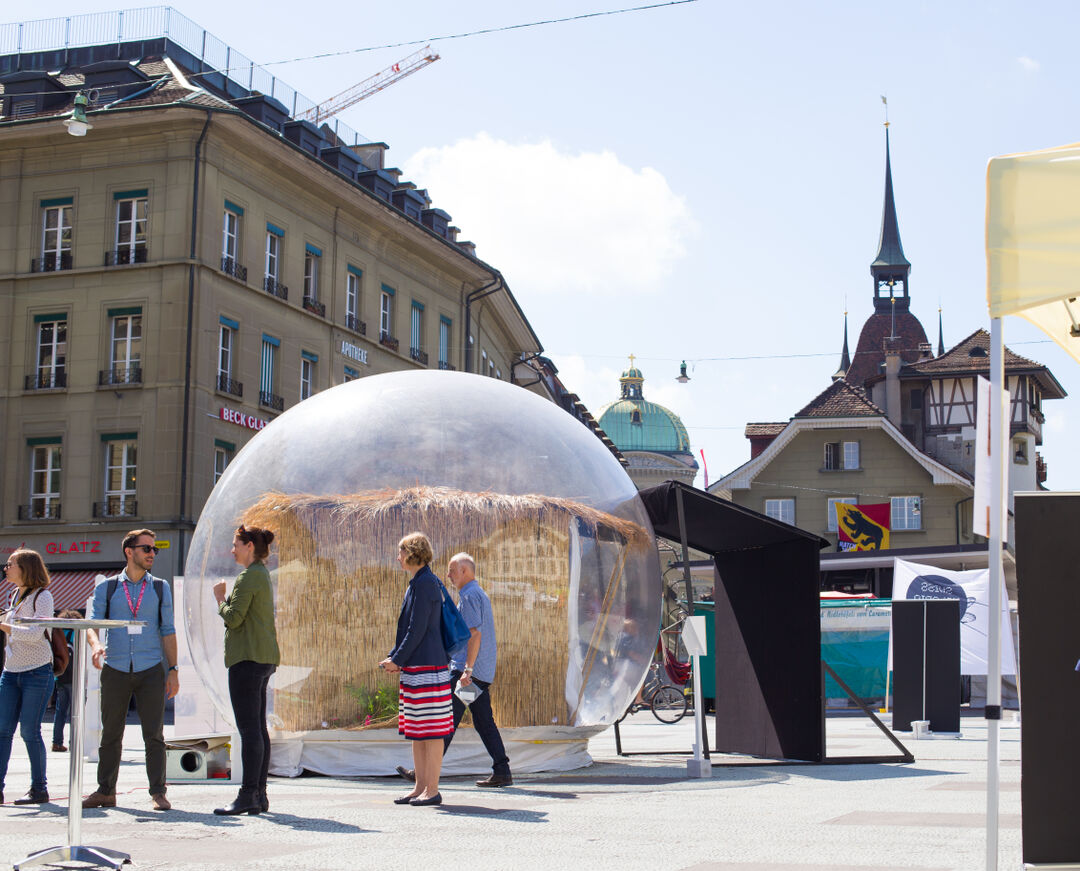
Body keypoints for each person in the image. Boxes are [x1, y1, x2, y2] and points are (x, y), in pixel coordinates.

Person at [82, 529, 179, 811]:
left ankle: (158, 792)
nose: (152, 554)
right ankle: (105, 791)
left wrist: (173, 669)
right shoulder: (108, 587)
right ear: (129, 551)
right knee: (111, 733)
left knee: (154, 735)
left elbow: (168, 630)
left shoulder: (160, 587)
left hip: (151, 668)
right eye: (146, 548)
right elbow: (93, 624)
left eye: (154, 549)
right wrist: (95, 645)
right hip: (115, 666)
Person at [397, 552, 512, 787]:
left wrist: (467, 670)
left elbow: (474, 634)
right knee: (480, 721)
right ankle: (502, 770)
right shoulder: (477, 594)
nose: (448, 575)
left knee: (445, 718)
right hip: (478, 672)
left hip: (467, 673)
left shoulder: (469, 596)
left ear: (465, 572)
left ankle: (424, 775)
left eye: (452, 570)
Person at [379, 532, 452, 807]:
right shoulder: (418, 583)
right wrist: (395, 656)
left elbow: (417, 629)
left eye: (400, 552)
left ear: (411, 553)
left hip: (429, 666)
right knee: (418, 729)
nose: (398, 558)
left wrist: (397, 659)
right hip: (417, 666)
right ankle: (420, 787)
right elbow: (409, 630)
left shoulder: (425, 584)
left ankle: (432, 789)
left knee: (431, 731)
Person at [212, 525, 280, 816]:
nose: (232, 550)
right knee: (258, 729)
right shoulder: (261, 574)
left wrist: (219, 599)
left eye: (236, 544)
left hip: (246, 659)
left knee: (249, 729)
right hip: (262, 658)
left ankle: (248, 794)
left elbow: (235, 618)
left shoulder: (248, 577)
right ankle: (259, 794)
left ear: (249, 546)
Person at [0, 549, 56, 805]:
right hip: (10, 673)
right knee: (2, 731)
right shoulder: (14, 595)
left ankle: (39, 789)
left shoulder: (43, 597)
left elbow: (35, 633)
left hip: (37, 672)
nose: (6, 568)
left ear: (25, 567)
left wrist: (5, 626)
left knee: (29, 731)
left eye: (10, 564)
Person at [51, 610, 81, 752]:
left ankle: (56, 742)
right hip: (75, 676)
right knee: (75, 712)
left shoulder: (58, 633)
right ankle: (73, 742)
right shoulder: (77, 633)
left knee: (60, 710)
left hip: (60, 676)